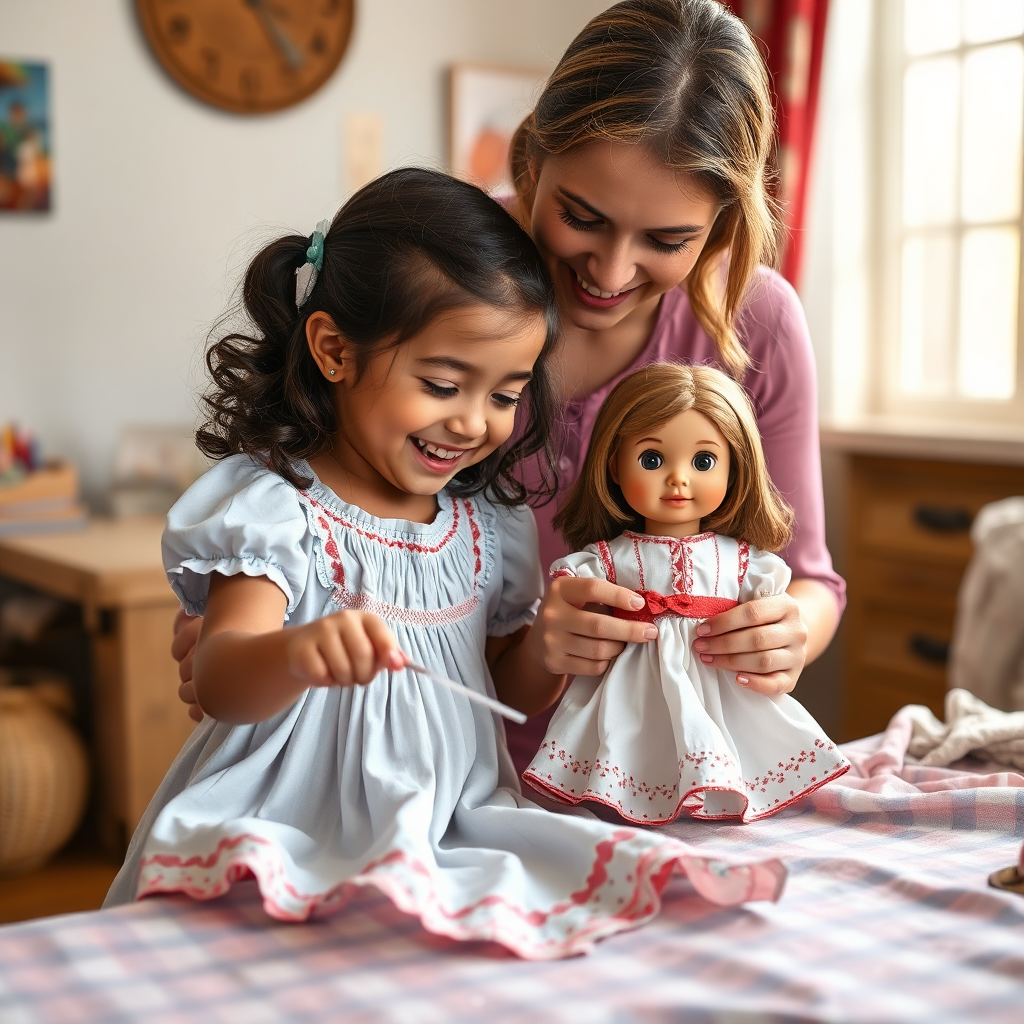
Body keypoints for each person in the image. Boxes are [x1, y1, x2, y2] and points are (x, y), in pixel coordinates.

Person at [104, 168, 785, 959]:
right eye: (442, 384)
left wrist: (546, 651)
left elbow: (502, 692)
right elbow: (219, 681)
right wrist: (296, 653)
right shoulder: (278, 512)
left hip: (454, 824)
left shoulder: (486, 525)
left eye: (505, 395)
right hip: (285, 826)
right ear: (333, 350)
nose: (473, 422)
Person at [172, 0, 845, 774]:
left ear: (723, 227)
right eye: (582, 217)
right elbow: (322, 505)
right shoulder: (450, 283)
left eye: (667, 241)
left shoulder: (757, 321)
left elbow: (811, 577)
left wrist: (786, 629)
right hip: (473, 764)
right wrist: (262, 634)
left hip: (686, 766)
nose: (612, 272)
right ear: (533, 160)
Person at [522, 363, 849, 822]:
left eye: (703, 461)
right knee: (636, 741)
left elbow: (787, 599)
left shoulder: (741, 562)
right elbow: (571, 585)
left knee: (724, 744)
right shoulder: (610, 559)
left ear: (735, 468)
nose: (678, 479)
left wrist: (777, 632)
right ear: (614, 464)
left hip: (718, 679)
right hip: (632, 683)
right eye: (652, 460)